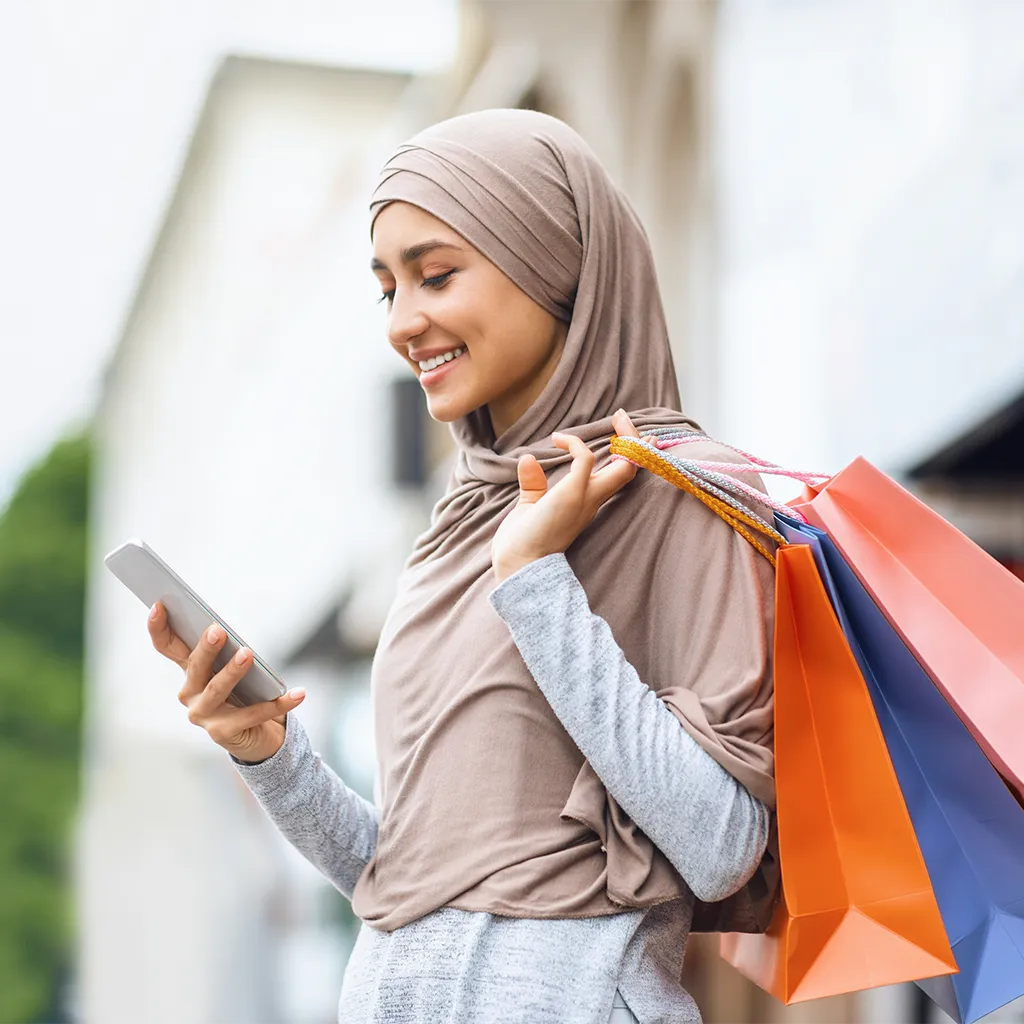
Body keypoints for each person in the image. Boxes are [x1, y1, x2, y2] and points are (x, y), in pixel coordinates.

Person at [146, 109, 778, 1024]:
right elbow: (403, 880)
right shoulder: (460, 522)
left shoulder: (694, 495)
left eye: (437, 275)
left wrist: (534, 582)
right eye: (386, 289)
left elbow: (721, 845)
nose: (404, 324)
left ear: (556, 266)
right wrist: (271, 756)